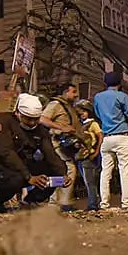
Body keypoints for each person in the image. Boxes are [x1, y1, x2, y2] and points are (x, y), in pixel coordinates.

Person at [0, 93, 62, 212]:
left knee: (52, 174)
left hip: (21, 165)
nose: (32, 123)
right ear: (18, 113)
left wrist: (62, 174)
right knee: (14, 179)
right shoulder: (2, 121)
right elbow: (6, 152)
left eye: (36, 119)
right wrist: (28, 176)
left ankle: (31, 200)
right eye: (28, 118)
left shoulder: (40, 130)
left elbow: (50, 154)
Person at [95, 71, 128, 210]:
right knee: (124, 171)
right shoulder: (122, 96)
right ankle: (127, 204)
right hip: (121, 136)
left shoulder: (98, 97)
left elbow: (97, 114)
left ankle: (104, 204)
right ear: (119, 83)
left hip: (106, 138)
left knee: (105, 172)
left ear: (105, 83)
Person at [42, 83, 87, 212]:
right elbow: (42, 119)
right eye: (73, 92)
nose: (76, 95)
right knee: (68, 170)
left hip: (67, 146)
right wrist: (61, 128)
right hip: (58, 145)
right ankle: (63, 202)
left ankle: (55, 203)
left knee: (62, 172)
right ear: (65, 92)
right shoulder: (55, 105)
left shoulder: (68, 107)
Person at [74, 99, 104, 211]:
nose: (82, 113)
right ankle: (93, 203)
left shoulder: (93, 124)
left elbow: (100, 136)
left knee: (90, 182)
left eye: (84, 111)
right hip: (81, 157)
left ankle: (93, 205)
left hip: (89, 157)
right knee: (88, 182)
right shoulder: (80, 125)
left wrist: (96, 152)